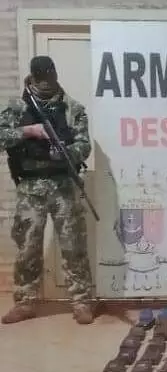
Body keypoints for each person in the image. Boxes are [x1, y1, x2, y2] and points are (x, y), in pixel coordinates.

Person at [0, 56, 94, 324]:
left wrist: (66, 153)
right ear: (33, 77)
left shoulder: (72, 108)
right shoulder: (16, 107)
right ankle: (25, 301)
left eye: (50, 79)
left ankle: (81, 301)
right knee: (27, 247)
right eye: (41, 80)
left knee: (74, 246)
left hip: (63, 186)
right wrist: (28, 131)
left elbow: (84, 145)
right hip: (30, 188)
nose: (46, 84)